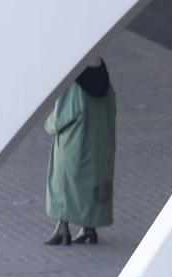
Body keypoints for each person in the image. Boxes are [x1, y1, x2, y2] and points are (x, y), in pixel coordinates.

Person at [44, 61, 117, 246]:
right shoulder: (106, 85)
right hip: (99, 146)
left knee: (64, 186)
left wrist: (48, 125)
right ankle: (89, 228)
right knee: (90, 188)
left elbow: (61, 118)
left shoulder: (75, 85)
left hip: (74, 146)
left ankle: (63, 228)